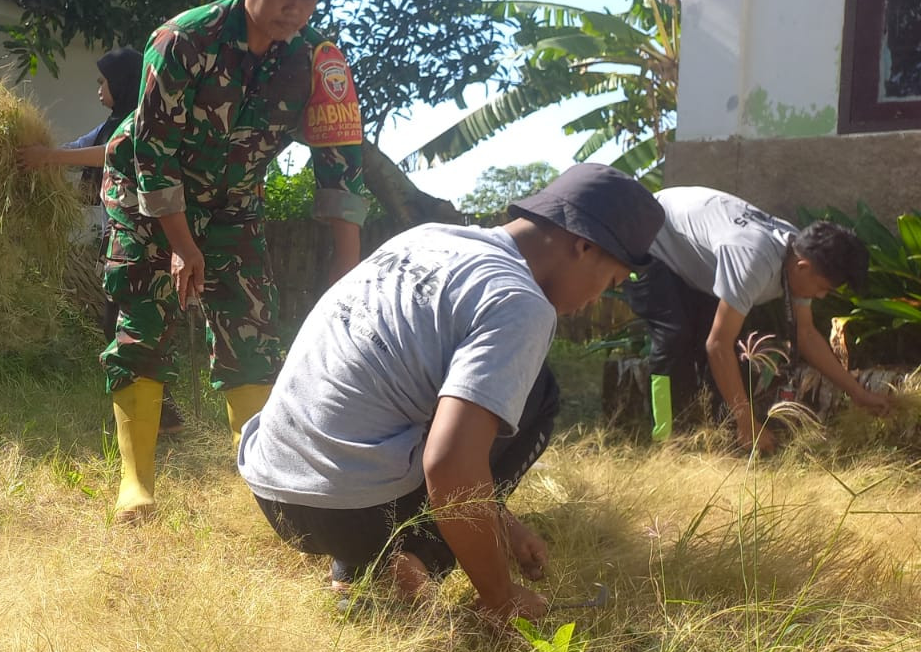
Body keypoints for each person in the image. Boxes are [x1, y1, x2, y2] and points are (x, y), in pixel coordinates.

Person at [237, 164, 665, 626]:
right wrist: (501, 595)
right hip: (348, 510)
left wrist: (502, 522)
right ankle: (400, 557)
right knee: (539, 393)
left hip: (275, 489)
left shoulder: (427, 239)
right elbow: (449, 463)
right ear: (584, 246)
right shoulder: (520, 302)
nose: (598, 300)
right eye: (611, 283)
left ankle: (364, 567)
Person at [101, 0, 370, 522]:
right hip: (148, 194)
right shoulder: (182, 40)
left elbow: (340, 165)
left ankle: (269, 494)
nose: (296, 9)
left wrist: (345, 272)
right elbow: (153, 150)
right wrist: (179, 243)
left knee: (251, 334)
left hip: (231, 203)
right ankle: (136, 486)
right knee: (145, 319)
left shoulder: (315, 64)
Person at [624, 185, 892, 452]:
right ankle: (668, 442)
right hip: (648, 237)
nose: (821, 296)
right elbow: (717, 346)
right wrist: (748, 423)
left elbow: (806, 333)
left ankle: (723, 441)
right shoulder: (754, 260)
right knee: (675, 338)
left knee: (731, 349)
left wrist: (857, 393)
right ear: (802, 267)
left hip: (691, 253)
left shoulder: (799, 256)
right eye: (823, 288)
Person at [20, 47, 185, 435]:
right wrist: (33, 153)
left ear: (122, 82)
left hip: (145, 243)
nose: (98, 88)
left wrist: (49, 158)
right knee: (120, 326)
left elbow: (107, 155)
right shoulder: (112, 122)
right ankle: (159, 415)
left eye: (103, 81)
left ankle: (153, 417)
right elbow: (81, 149)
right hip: (120, 240)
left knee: (125, 326)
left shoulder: (139, 122)